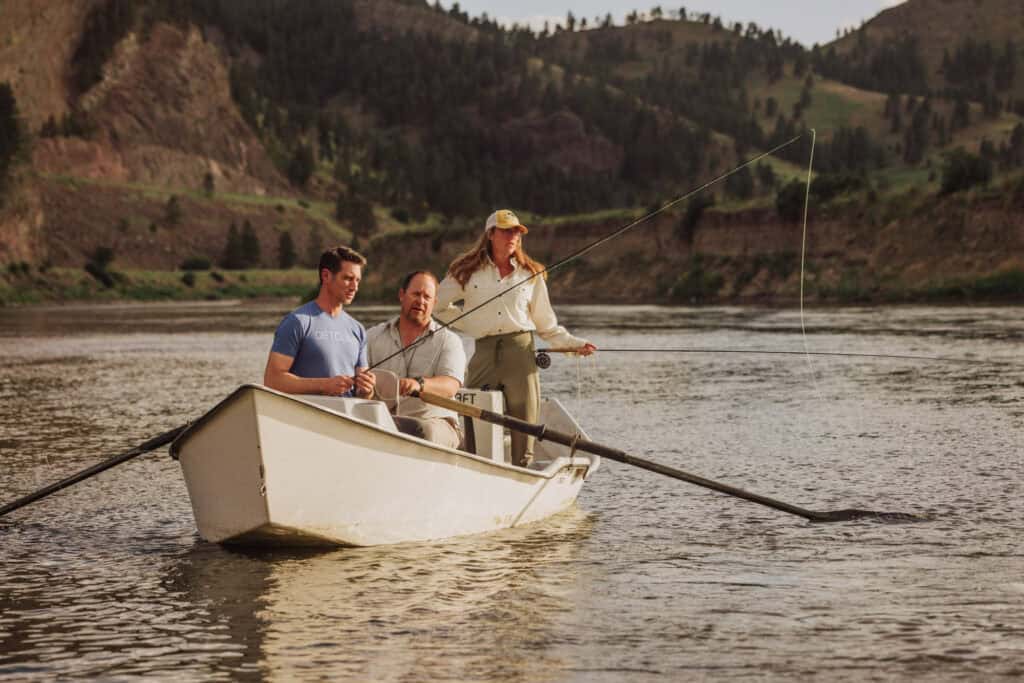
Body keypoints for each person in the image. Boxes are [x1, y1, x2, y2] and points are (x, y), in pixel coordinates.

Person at [435, 209, 596, 467]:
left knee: (525, 422)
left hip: (521, 355)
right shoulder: (465, 271)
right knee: (474, 415)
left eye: (517, 232)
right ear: (490, 234)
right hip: (484, 353)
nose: (513, 236)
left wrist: (574, 345)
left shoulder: (531, 273)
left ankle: (523, 467)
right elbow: (435, 305)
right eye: (506, 230)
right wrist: (472, 323)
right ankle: (474, 467)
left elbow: (547, 325)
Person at [366, 271, 466, 449]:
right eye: (416, 294)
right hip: (382, 421)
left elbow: (450, 386)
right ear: (401, 295)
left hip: (436, 424)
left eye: (427, 297)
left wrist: (419, 384)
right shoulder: (372, 336)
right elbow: (357, 377)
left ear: (434, 303)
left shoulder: (450, 341)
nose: (421, 301)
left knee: (420, 429)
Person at [264, 245, 376, 399]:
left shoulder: (357, 329)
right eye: (348, 278)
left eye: (357, 280)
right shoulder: (297, 322)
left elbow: (362, 395)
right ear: (326, 276)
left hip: (347, 419)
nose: (355, 287)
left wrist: (367, 390)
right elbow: (272, 381)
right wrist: (324, 385)